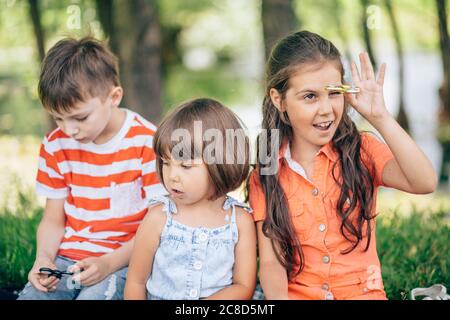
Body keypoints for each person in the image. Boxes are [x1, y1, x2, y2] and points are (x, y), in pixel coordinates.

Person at [248, 30, 437, 300]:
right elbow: (271, 261)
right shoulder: (266, 172)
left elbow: (425, 182)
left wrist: (380, 117)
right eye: (310, 96)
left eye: (334, 93)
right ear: (279, 100)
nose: (326, 109)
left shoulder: (362, 150)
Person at [17, 37, 165, 300]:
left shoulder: (147, 142)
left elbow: (159, 224)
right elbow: (53, 220)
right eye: (58, 118)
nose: (69, 130)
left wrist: (108, 263)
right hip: (66, 259)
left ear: (114, 97)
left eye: (80, 117)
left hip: (125, 261)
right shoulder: (55, 146)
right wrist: (44, 258)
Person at [124, 98, 257, 300]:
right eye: (166, 163)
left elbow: (243, 286)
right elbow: (136, 281)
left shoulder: (240, 221)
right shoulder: (159, 218)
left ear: (221, 163)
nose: (171, 175)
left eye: (185, 166)